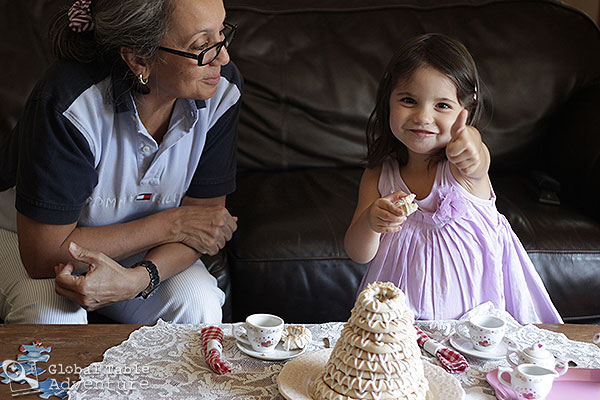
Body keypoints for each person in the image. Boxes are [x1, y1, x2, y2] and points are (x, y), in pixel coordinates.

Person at [0, 0, 242, 324]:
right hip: (22, 237)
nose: (223, 58)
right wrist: (172, 224)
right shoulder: (70, 103)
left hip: (140, 247)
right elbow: (43, 254)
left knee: (198, 304)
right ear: (139, 58)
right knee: (53, 318)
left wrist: (141, 278)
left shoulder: (219, 88)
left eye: (222, 33)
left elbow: (204, 225)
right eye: (202, 46)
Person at [344, 33, 562, 324]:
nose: (423, 117)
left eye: (442, 105)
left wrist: (471, 148)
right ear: (387, 102)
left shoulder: (463, 167)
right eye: (408, 100)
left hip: (471, 312)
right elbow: (358, 254)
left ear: (465, 111)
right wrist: (371, 222)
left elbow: (477, 155)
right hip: (400, 316)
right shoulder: (378, 174)